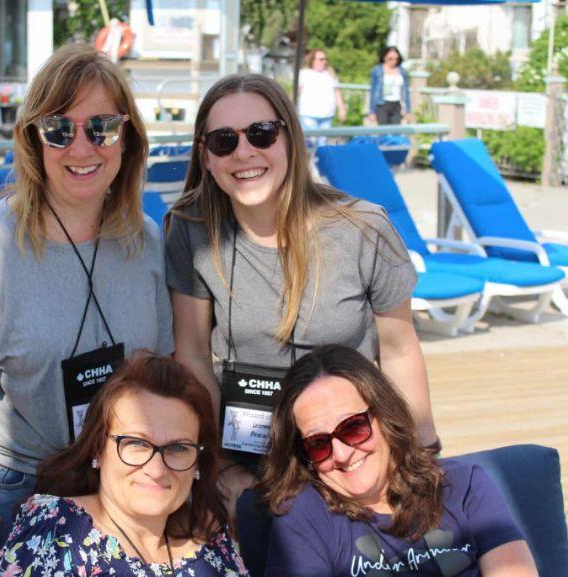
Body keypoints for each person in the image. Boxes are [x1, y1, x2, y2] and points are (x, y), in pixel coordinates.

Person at [0, 43, 174, 551]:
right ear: (34, 140)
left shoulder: (144, 240)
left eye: (101, 128)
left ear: (127, 138)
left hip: (127, 483)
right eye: (59, 129)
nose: (81, 148)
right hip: (19, 493)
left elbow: (163, 370)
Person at [165, 73, 439, 503]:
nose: (244, 152)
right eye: (224, 141)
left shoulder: (362, 227)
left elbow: (399, 349)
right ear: (206, 156)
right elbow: (193, 353)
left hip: (349, 456)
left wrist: (424, 452)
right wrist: (224, 466)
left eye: (262, 133)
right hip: (246, 462)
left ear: (290, 138)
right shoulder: (192, 230)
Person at [0, 352, 288, 577]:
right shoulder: (56, 538)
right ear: (98, 449)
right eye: (136, 443)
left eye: (177, 448)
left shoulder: (212, 542)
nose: (156, 469)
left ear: (198, 464)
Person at [261, 344, 545, 577]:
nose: (341, 454)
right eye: (318, 443)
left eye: (353, 427)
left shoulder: (464, 486)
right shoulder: (304, 519)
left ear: (385, 415)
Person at [297, 49, 347, 146]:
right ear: (313, 60)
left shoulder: (330, 74)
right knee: (311, 143)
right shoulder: (304, 73)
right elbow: (297, 92)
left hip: (327, 115)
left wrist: (342, 109)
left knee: (322, 144)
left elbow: (336, 92)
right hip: (308, 114)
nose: (324, 61)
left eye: (325, 59)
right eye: (321, 59)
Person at [368, 46, 412, 125]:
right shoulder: (377, 71)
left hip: (397, 105)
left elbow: (406, 92)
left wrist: (408, 110)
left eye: (396, 59)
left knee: (395, 130)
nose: (394, 61)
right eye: (390, 59)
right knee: (384, 130)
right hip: (382, 105)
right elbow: (373, 92)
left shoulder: (402, 71)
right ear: (384, 57)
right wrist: (372, 111)